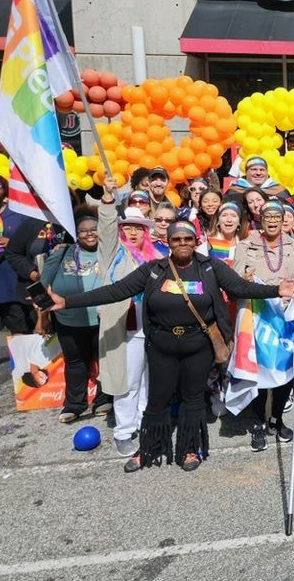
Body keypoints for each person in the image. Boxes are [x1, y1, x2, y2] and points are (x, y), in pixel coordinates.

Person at [47, 221, 294, 472]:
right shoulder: (154, 270)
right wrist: (67, 302)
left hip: (198, 345)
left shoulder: (210, 268)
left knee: (193, 399)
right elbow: (116, 291)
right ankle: (150, 448)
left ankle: (190, 448)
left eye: (187, 239)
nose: (182, 244)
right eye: (176, 239)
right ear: (168, 242)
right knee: (157, 400)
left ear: (196, 241)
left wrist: (277, 289)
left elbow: (240, 287)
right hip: (162, 346)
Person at [94, 176, 161, 456]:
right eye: (127, 228)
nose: (132, 233)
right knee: (127, 380)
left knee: (149, 378)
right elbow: (106, 228)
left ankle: (145, 422)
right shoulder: (113, 253)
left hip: (154, 326)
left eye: (137, 228)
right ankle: (124, 431)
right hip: (126, 327)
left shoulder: (156, 255)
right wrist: (109, 199)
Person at [233, 199, 294, 450]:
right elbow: (236, 280)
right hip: (257, 315)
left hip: (285, 315)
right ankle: (258, 423)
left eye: (277, 217)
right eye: (268, 217)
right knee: (260, 371)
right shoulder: (246, 244)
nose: (273, 221)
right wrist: (244, 277)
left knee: (284, 371)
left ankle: (276, 420)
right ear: (260, 220)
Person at [40, 207, 113, 422]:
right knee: (75, 364)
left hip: (103, 318)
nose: (90, 234)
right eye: (83, 231)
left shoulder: (109, 250)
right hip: (69, 320)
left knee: (105, 360)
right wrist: (41, 318)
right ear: (76, 233)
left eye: (94, 229)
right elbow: (44, 285)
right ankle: (74, 404)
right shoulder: (62, 252)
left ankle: (103, 399)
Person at [0, 173, 32, 378]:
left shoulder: (18, 214)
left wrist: (11, 243)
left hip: (13, 283)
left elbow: (31, 243)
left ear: (4, 190)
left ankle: (21, 369)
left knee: (19, 327)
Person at [226, 156, 290, 201]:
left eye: (262, 170)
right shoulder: (235, 191)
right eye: (254, 169)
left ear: (267, 172)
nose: (258, 173)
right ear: (246, 172)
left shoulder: (280, 191)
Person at [206, 201, 247, 266]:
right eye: (224, 215)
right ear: (218, 221)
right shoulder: (207, 244)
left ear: (239, 222)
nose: (229, 220)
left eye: (233, 216)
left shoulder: (244, 244)